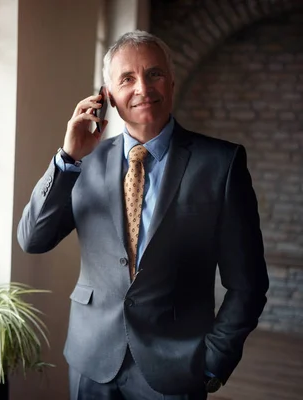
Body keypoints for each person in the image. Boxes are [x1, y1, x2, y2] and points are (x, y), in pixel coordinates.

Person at [17, 30, 269, 400]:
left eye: (153, 74)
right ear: (108, 96)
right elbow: (32, 239)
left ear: (171, 82)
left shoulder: (222, 163)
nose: (142, 88)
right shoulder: (83, 162)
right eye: (127, 78)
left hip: (177, 367)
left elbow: (248, 283)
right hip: (91, 363)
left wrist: (215, 361)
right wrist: (67, 159)